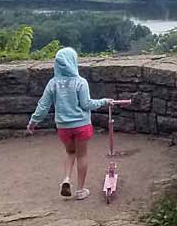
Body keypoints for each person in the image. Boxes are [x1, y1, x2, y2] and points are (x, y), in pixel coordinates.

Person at [26, 47, 131, 201]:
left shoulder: (52, 84)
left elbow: (43, 105)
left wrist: (33, 122)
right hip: (81, 125)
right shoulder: (80, 82)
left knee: (70, 153)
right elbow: (87, 104)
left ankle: (66, 179)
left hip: (63, 126)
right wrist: (104, 101)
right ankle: (81, 190)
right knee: (82, 155)